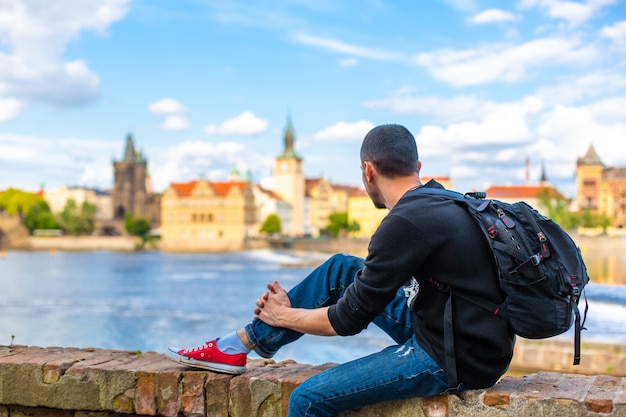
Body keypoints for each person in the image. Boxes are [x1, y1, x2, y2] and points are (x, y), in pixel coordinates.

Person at [167, 124, 515, 417]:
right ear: (417, 166)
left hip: (452, 357)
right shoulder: (445, 199)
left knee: (306, 400)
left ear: (368, 171)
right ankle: (239, 343)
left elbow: (345, 322)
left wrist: (284, 315)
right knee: (341, 269)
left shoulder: (404, 223)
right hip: (467, 335)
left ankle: (243, 341)